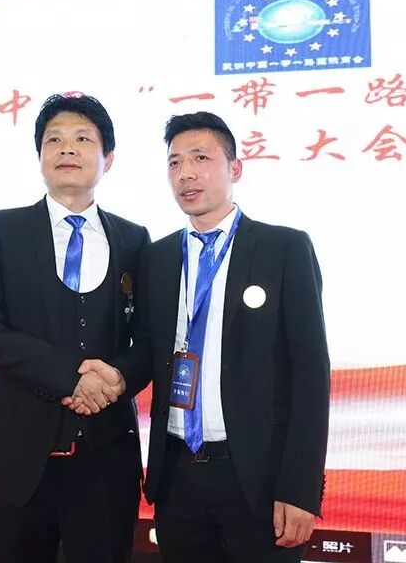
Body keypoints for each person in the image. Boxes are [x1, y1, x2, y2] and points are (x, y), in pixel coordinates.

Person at [70, 111, 330, 562]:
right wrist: (117, 376)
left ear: (235, 168)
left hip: (257, 478)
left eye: (200, 158)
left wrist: (300, 487)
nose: (185, 173)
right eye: (174, 163)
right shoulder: (158, 257)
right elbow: (149, 349)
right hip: (178, 476)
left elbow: (310, 373)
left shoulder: (283, 249)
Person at [0, 94, 150, 563]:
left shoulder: (134, 239)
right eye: (54, 140)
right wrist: (70, 378)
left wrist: (117, 378)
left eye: (83, 139)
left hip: (106, 460)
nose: (67, 148)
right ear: (39, 155)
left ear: (108, 158)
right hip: (15, 456)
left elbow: (150, 339)